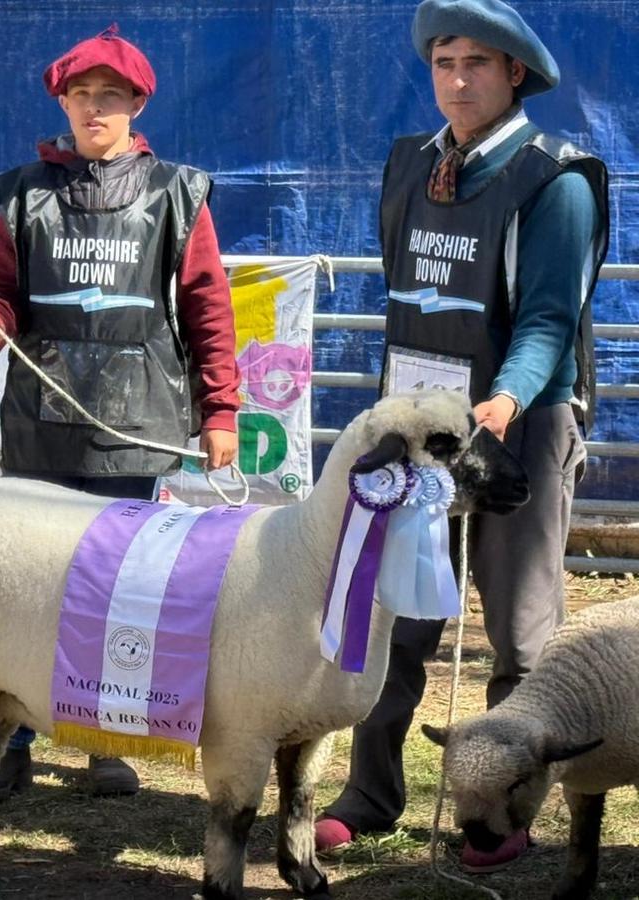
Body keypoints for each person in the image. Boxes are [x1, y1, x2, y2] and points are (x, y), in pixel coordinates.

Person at [314, 0, 609, 873]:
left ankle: (505, 809)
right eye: (445, 61)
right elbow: (409, 296)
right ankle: (369, 794)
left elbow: (552, 317)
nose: (457, 78)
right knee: (393, 615)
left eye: (478, 63)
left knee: (520, 637)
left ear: (515, 73)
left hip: (518, 423)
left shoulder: (555, 179)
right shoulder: (410, 163)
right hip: (421, 427)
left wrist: (508, 401)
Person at [0, 25, 241, 800]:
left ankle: (101, 740)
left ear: (136, 104)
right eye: (80, 96)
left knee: (116, 590)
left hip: (134, 427)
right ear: (64, 103)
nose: (93, 110)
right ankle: (10, 737)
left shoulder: (178, 193)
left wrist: (221, 411)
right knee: (30, 587)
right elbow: (2, 291)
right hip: (40, 422)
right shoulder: (24, 193)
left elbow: (209, 308)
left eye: (108, 97)